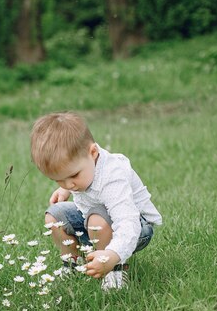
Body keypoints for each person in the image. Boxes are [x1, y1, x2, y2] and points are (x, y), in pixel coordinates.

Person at [30, 112, 162, 291]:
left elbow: (128, 223)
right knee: (55, 216)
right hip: (94, 221)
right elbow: (74, 181)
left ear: (93, 153)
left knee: (96, 219)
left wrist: (111, 255)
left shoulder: (113, 178)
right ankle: (72, 265)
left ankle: (114, 271)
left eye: (73, 175)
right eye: (59, 179)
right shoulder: (83, 167)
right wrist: (65, 189)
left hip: (135, 228)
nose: (69, 184)